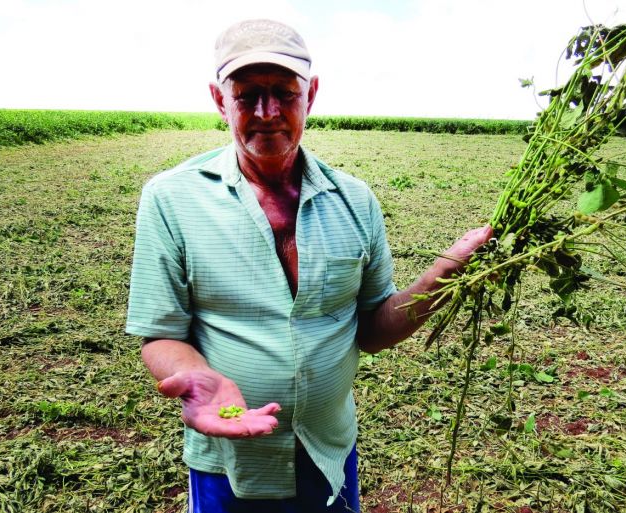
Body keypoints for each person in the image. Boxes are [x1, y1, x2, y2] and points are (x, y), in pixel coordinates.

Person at [126, 18, 493, 513]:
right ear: (219, 99)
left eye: (284, 92)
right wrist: (195, 375)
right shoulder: (171, 198)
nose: (267, 112)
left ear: (311, 94)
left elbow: (372, 328)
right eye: (247, 94)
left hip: (328, 451)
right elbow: (162, 334)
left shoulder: (355, 201)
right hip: (231, 460)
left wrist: (441, 277)